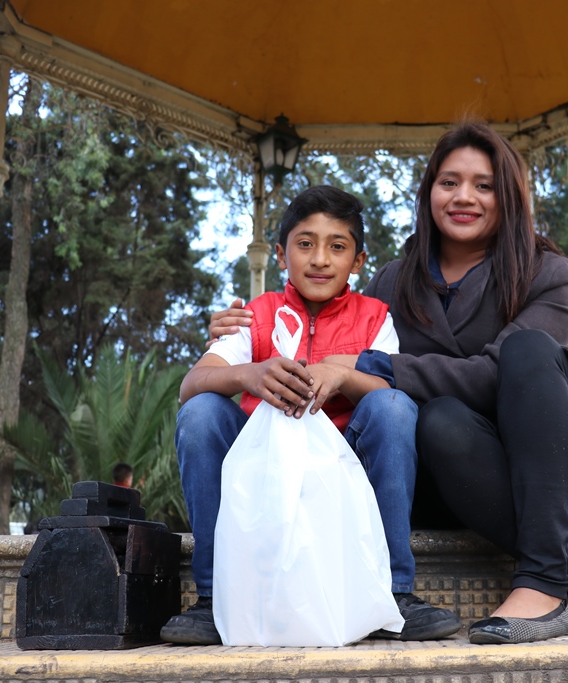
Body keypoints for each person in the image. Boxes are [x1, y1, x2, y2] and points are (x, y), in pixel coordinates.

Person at [211, 123, 568, 645]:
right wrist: (240, 328)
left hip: (553, 464)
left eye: (484, 185)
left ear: (509, 196)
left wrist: (368, 367)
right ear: (429, 190)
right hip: (447, 471)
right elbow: (322, 314)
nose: (464, 197)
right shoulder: (393, 280)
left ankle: (545, 580)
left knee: (524, 350)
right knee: (436, 417)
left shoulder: (551, 273)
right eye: (449, 182)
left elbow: (489, 376)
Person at [161, 186, 460, 646]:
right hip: (264, 473)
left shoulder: (374, 318)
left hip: (343, 474)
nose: (320, 258)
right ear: (281, 254)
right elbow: (190, 385)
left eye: (337, 246)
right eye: (305, 244)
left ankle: (394, 593)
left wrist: (341, 375)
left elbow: (389, 389)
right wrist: (250, 373)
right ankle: (212, 596)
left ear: (357, 261)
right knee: (201, 414)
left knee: (393, 407)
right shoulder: (256, 315)